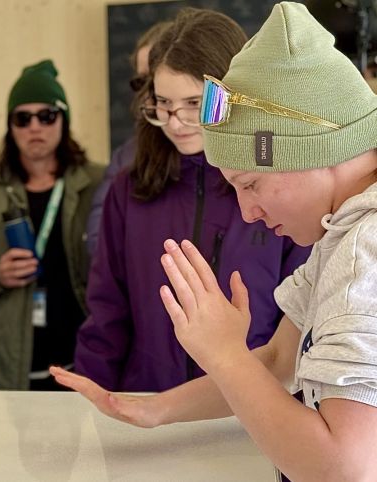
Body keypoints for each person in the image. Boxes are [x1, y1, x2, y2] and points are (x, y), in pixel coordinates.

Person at [54, 2, 377, 480]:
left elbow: (347, 470)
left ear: (311, 151)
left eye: (250, 183)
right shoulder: (340, 234)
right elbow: (279, 359)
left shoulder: (361, 258)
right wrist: (154, 410)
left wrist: (223, 353)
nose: (248, 211)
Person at [73, 7, 311, 392]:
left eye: (194, 103)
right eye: (164, 103)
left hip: (255, 411)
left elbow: (299, 325)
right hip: (151, 402)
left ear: (235, 98)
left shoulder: (278, 188)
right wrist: (86, 404)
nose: (176, 121)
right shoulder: (127, 191)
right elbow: (106, 316)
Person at [0, 60, 103, 390]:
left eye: (46, 115)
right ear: (10, 126)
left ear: (63, 120)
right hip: (9, 365)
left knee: (86, 443)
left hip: (84, 359)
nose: (35, 127)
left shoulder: (98, 183)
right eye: (23, 118)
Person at [86, 19, 173, 255]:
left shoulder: (225, 152)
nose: (149, 92)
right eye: (141, 82)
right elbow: (98, 241)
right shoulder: (126, 158)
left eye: (157, 78)